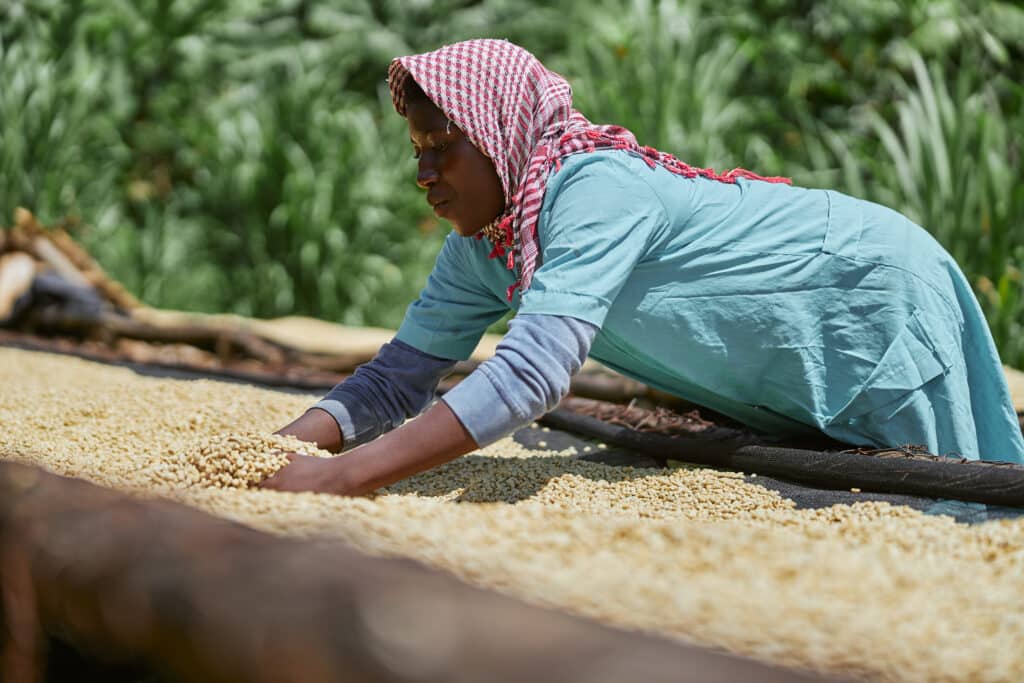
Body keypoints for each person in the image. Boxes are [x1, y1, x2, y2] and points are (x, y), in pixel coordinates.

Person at [260, 39, 1024, 495]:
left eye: (441, 146)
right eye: (416, 152)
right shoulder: (485, 250)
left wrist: (343, 476)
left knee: (950, 492)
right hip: (786, 362)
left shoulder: (592, 189)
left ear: (500, 131)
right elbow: (396, 379)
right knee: (856, 476)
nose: (423, 173)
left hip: (866, 290)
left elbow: (533, 371)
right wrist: (279, 448)